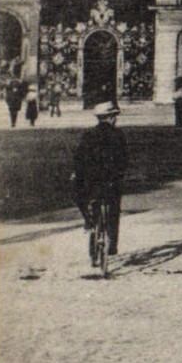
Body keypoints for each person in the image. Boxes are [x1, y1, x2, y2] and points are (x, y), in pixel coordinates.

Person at [73, 100, 128, 260]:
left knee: (81, 196)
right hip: (111, 179)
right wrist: (120, 173)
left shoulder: (89, 134)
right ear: (111, 118)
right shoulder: (118, 135)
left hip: (91, 180)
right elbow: (124, 159)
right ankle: (112, 243)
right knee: (114, 208)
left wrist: (77, 173)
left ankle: (89, 221)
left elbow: (79, 157)